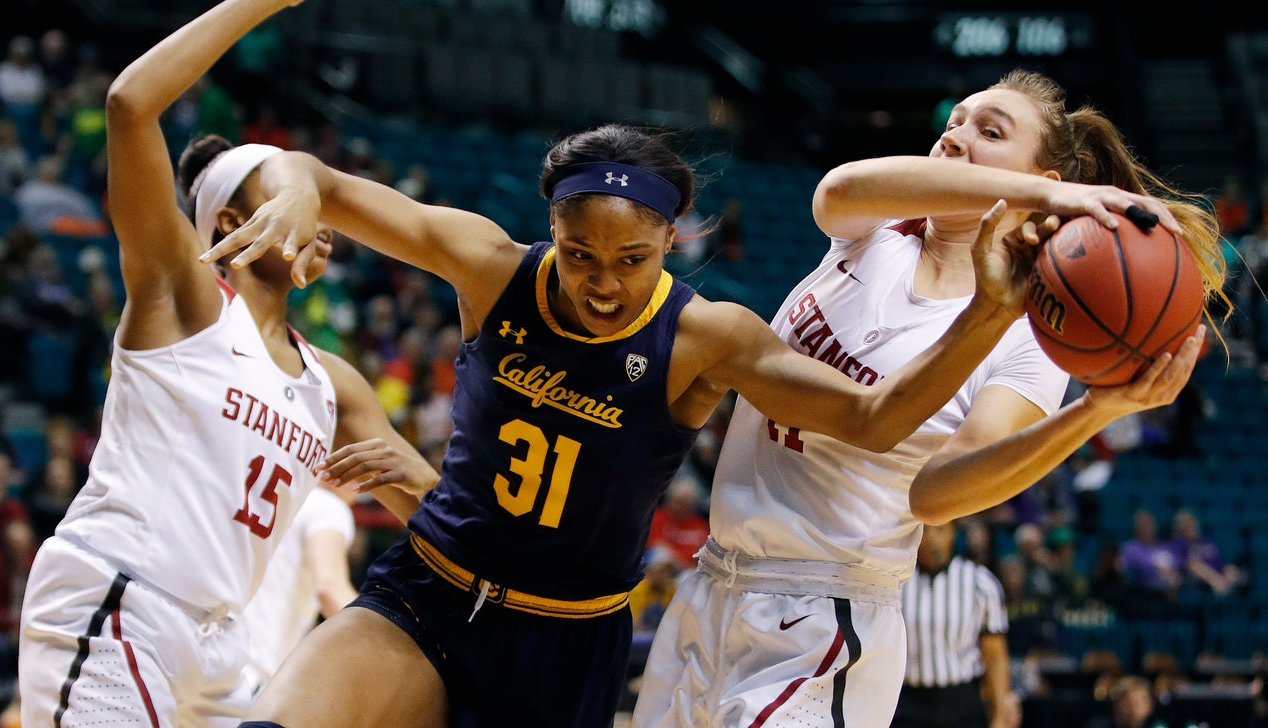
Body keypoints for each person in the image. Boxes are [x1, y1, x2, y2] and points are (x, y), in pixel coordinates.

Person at [203, 9, 1060, 725]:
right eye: (580, 255)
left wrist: (996, 312)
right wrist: (298, 179)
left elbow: (878, 422)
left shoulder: (707, 336)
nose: (604, 284)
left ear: (672, 243)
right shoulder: (491, 268)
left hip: (569, 640)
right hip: (430, 592)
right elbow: (318, 176)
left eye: (633, 259)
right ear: (550, 229)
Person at [634, 68, 1223, 728]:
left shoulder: (1024, 336)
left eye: (989, 130)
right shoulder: (876, 232)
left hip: (823, 619)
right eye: (955, 122)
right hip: (714, 584)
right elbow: (837, 189)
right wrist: (1040, 193)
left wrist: (1096, 411)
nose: (956, 135)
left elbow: (936, 494)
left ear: (1046, 183)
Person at [15, 0, 440, 724]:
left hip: (222, 648)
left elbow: (441, 524)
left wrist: (431, 487)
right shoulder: (185, 297)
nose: (318, 212)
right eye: (290, 192)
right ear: (236, 222)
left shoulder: (334, 381)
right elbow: (128, 104)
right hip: (123, 601)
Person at [891, 520, 1017, 728]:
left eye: (940, 530)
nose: (931, 539)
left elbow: (994, 654)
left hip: (961, 700)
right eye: (925, 531)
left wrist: (1000, 712)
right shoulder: (895, 581)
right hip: (905, 701)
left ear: (953, 533)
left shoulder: (980, 582)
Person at [240, 478, 359, 694]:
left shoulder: (274, 492)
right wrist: (387, 634)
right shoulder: (329, 506)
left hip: (209, 650)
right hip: (250, 674)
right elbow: (329, 588)